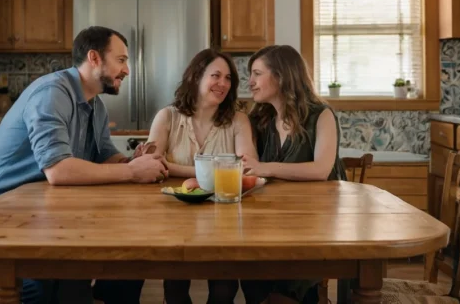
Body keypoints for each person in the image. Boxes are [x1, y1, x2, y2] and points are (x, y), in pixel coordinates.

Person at [0, 26, 169, 304]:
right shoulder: (52, 93)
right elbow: (58, 171)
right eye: (121, 60)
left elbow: (105, 155)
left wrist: (132, 161)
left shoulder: (96, 106)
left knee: (124, 263)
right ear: (94, 58)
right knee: (37, 283)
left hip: (31, 225)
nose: (127, 70)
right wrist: (131, 172)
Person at [230, 45, 347, 304]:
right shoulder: (261, 119)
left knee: (285, 286)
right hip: (273, 220)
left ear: (281, 77)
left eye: (257, 74)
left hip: (315, 225)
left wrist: (265, 167)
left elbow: (321, 169)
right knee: (251, 272)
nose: (250, 82)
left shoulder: (321, 115)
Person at [145, 48, 257, 304]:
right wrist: (220, 168)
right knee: (175, 290)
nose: (223, 84)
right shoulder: (167, 117)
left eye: (228, 78)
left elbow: (248, 167)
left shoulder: (238, 120)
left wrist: (174, 168)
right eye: (215, 75)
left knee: (223, 291)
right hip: (176, 216)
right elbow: (150, 164)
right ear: (196, 77)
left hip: (225, 216)